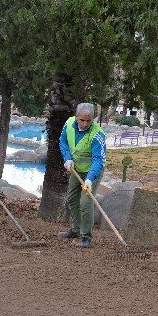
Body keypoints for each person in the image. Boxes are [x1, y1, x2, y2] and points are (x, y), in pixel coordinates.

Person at [59, 102, 107, 248]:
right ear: (76, 117)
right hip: (76, 168)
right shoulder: (68, 124)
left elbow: (98, 160)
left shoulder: (97, 135)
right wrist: (67, 158)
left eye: (89, 120)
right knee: (72, 198)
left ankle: (86, 237)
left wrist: (89, 179)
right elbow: (63, 142)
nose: (85, 123)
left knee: (85, 203)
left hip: (93, 171)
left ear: (93, 119)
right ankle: (76, 229)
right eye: (82, 120)